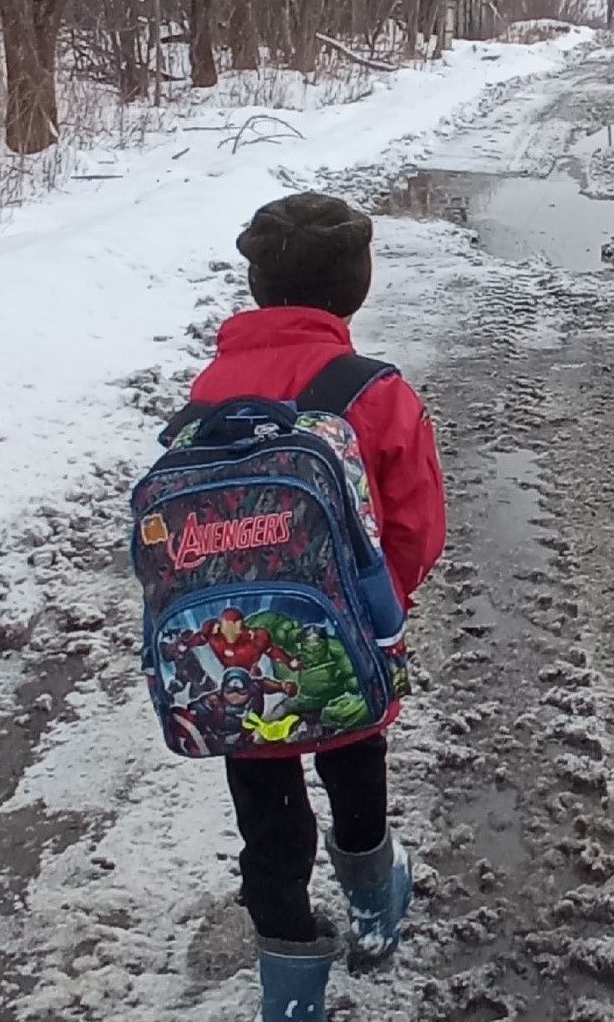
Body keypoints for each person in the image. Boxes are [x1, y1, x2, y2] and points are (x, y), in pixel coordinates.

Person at [188, 192, 447, 1020]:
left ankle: (290, 983)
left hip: (233, 661)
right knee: (354, 776)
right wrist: (377, 611)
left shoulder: (210, 392)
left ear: (259, 286)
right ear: (355, 288)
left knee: (267, 821)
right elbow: (415, 525)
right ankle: (375, 907)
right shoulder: (370, 391)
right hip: (345, 648)